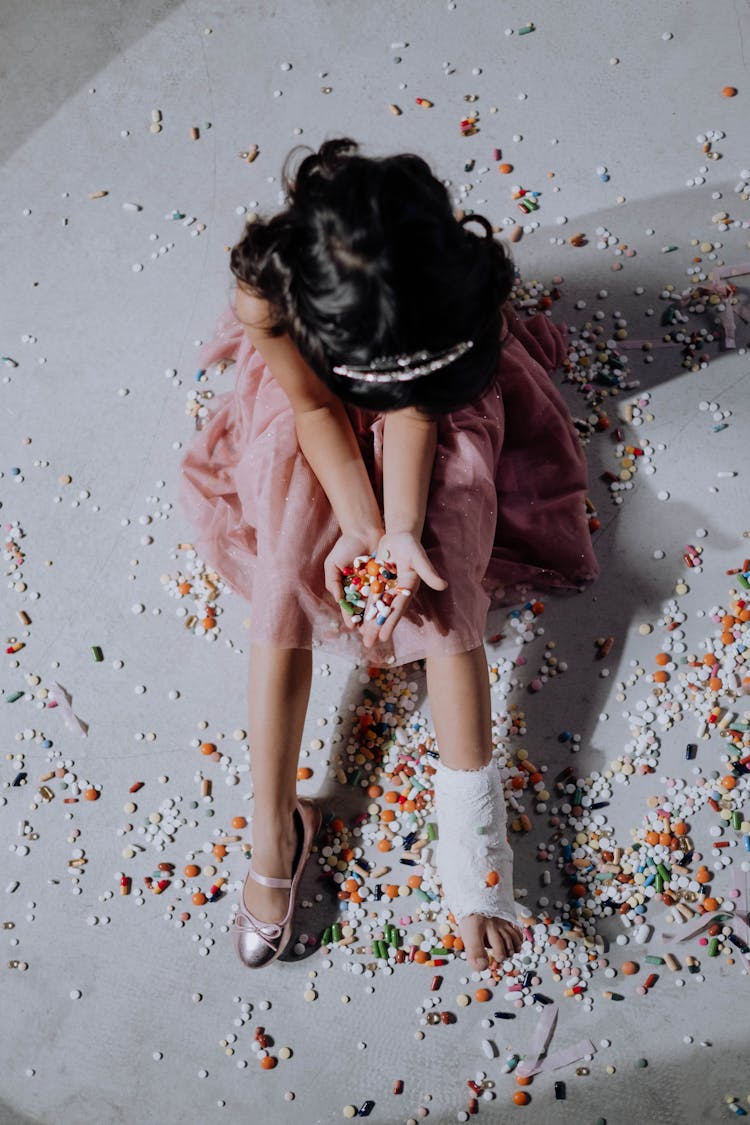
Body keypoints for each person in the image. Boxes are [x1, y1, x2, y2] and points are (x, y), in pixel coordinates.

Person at [179, 136, 598, 973]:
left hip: (431, 411)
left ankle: (470, 846)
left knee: (446, 568)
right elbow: (316, 413)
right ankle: (273, 826)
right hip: (320, 419)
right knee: (286, 564)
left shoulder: (439, 308)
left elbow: (413, 413)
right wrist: (355, 521)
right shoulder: (272, 299)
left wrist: (396, 528)